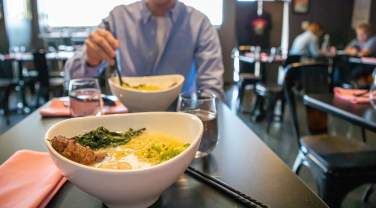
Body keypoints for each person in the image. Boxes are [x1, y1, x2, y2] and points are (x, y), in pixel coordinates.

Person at [65, 0, 224, 98]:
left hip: (180, 117)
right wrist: (90, 59)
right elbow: (72, 79)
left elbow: (212, 89)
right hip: (126, 120)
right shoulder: (118, 17)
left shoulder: (199, 23)